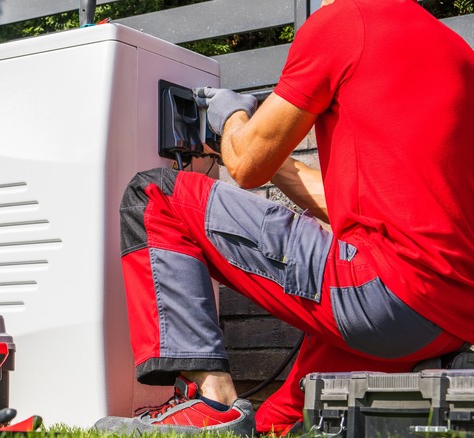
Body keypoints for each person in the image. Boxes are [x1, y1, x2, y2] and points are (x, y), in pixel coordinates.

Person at [94, 0, 474, 435]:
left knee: (155, 194)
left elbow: (246, 165)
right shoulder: (457, 50)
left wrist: (232, 118)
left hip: (381, 292)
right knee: (275, 423)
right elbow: (378, 205)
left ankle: (211, 400)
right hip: (445, 319)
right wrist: (266, 150)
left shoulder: (343, 21)